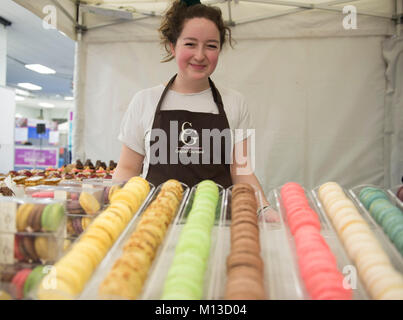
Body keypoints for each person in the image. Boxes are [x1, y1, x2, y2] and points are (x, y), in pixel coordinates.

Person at [114, 0, 274, 213]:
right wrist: (118, 211)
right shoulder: (144, 100)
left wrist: (264, 208)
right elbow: (127, 168)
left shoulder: (236, 102)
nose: (200, 55)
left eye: (211, 46)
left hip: (217, 223)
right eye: (190, 44)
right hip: (154, 224)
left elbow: (242, 171)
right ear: (173, 46)